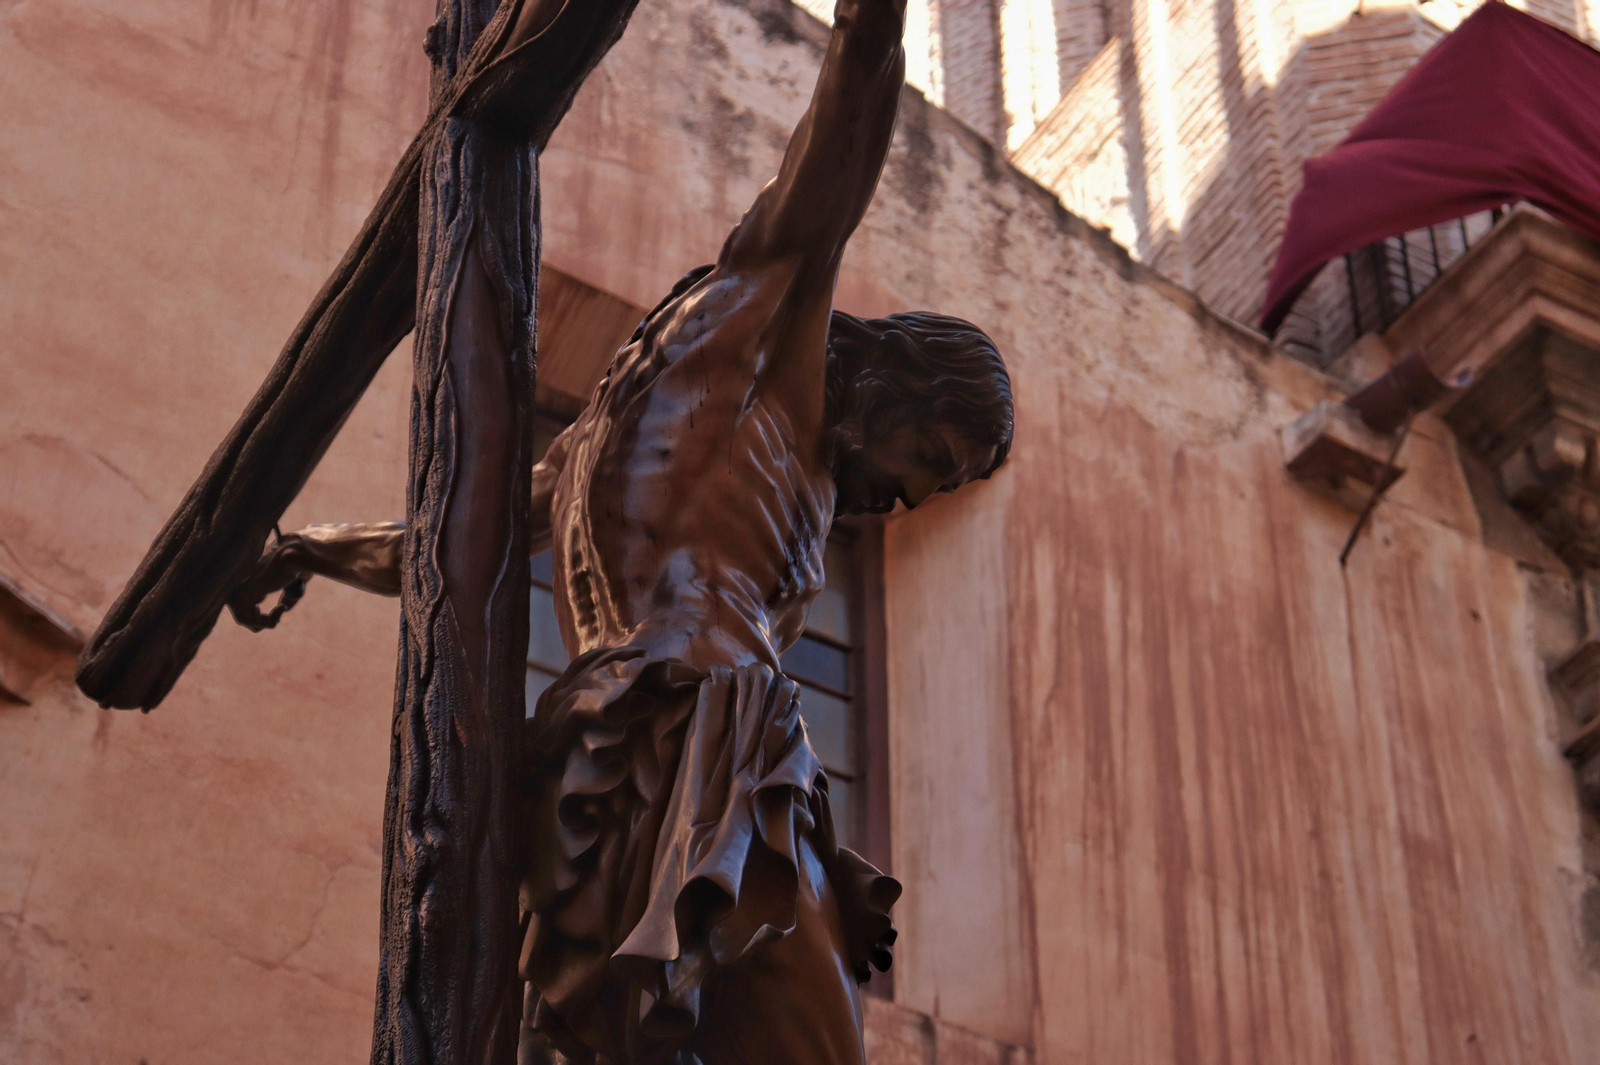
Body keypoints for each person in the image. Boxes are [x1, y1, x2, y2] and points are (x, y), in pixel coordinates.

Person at [228, 0, 1013, 1057]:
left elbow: (458, 543)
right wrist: (872, 21)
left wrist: (306, 545)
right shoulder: (769, 329)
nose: (916, 495)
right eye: (934, 460)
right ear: (898, 384)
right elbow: (854, 104)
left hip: (603, 738)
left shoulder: (636, 429)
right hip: (704, 734)